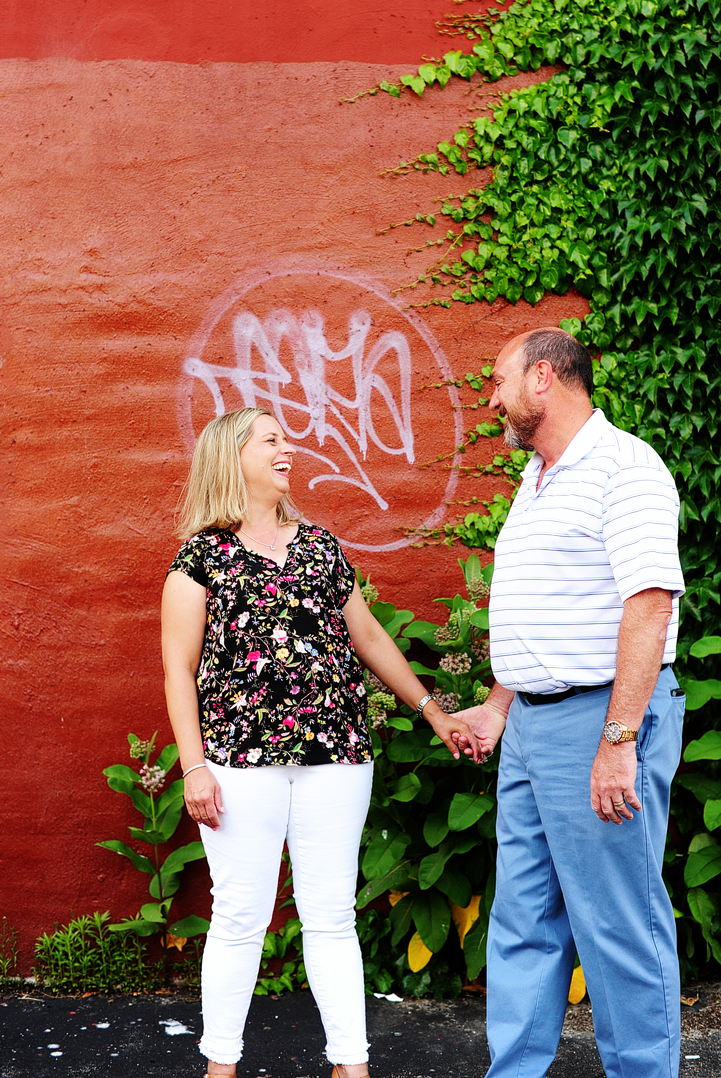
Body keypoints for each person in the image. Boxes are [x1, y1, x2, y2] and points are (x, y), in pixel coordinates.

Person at [161, 406, 472, 1078]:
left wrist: (432, 710)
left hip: (337, 756)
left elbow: (369, 638)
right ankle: (221, 1065)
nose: (287, 448)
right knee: (240, 915)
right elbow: (178, 669)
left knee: (331, 915)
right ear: (232, 455)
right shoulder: (201, 557)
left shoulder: (322, 545)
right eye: (271, 439)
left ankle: (350, 1065)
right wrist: (194, 766)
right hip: (240, 762)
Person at [454, 327, 686, 1078]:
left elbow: (648, 606)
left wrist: (619, 739)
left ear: (544, 377)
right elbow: (546, 611)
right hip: (529, 727)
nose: (491, 398)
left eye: (499, 380)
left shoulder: (625, 466)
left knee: (619, 921)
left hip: (600, 720)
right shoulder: (538, 476)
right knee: (521, 922)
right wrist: (497, 705)